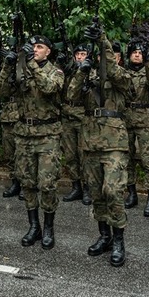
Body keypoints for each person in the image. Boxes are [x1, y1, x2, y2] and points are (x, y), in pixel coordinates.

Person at [0, 36, 64, 249]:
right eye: (33, 47)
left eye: (39, 47)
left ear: (48, 52)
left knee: (46, 184)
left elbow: (48, 87)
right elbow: (1, 91)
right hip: (24, 135)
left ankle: (48, 227)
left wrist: (31, 64)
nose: (35, 50)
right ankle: (33, 225)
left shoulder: (56, 72)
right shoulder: (21, 70)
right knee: (27, 183)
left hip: (47, 135)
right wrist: (9, 65)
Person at [80, 26, 132, 266]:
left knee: (113, 191)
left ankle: (119, 239)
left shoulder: (123, 77)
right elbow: (70, 97)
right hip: (91, 141)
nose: (103, 60)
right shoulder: (89, 77)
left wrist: (103, 41)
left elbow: (111, 70)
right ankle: (104, 236)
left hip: (114, 143)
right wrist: (82, 72)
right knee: (96, 193)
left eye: (108, 55)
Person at [123, 40, 149, 216]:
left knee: (147, 159)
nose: (137, 55)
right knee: (127, 158)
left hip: (145, 121)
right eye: (134, 52)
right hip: (127, 120)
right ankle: (132, 193)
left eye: (140, 52)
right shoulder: (124, 73)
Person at [0, 46, 23, 199]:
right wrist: (0, 67)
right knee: (10, 153)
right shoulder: (7, 66)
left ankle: (27, 185)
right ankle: (15, 182)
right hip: (9, 116)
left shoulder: (27, 65)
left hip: (23, 115)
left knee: (24, 154)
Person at [61, 45, 90, 205]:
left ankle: (87, 188)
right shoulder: (69, 71)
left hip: (83, 116)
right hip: (67, 115)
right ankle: (76, 186)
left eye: (83, 54)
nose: (80, 57)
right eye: (77, 54)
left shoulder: (90, 72)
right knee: (70, 155)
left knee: (83, 154)